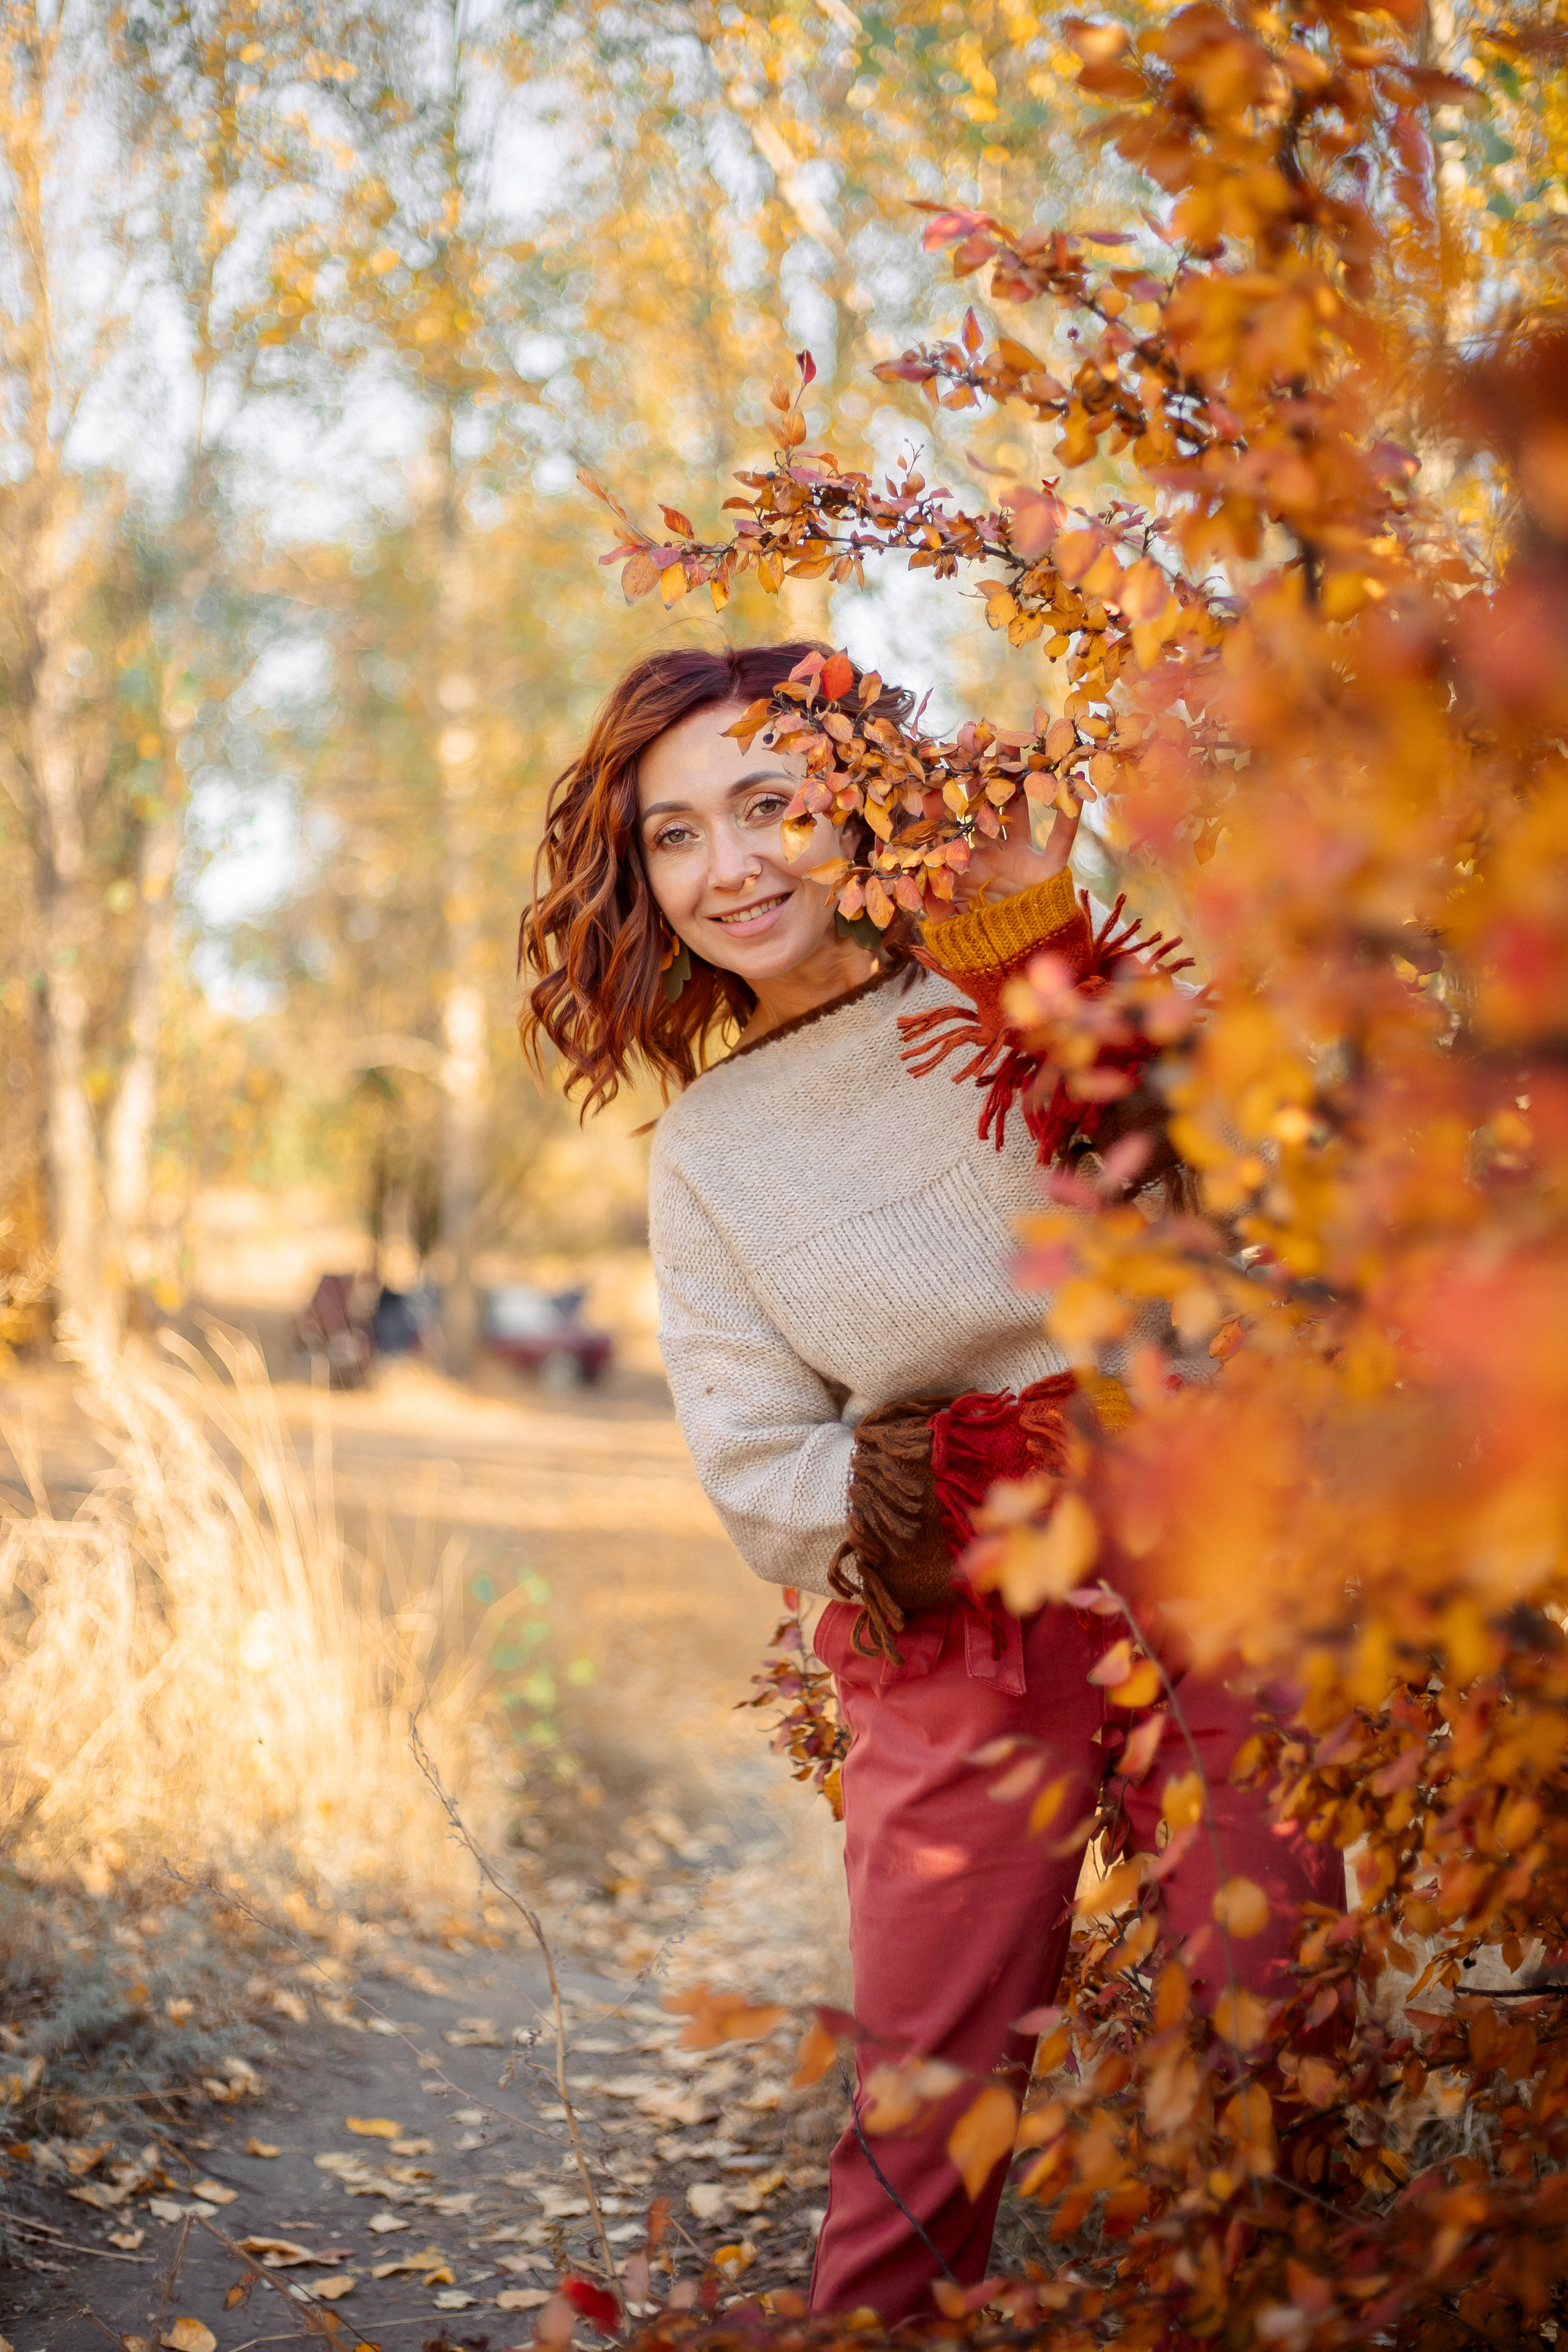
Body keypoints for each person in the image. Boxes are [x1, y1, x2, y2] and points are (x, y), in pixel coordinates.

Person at [520, 641, 1341, 2323]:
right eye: (675, 835)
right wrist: (1012, 1457)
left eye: (769, 805)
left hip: (1214, 1571)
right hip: (954, 1640)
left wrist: (1037, 941)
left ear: (858, 805)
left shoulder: (997, 977)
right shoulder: (713, 1154)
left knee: (1287, 2058)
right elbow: (763, 1483)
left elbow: (1200, 1209)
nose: (730, 866)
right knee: (925, 2121)